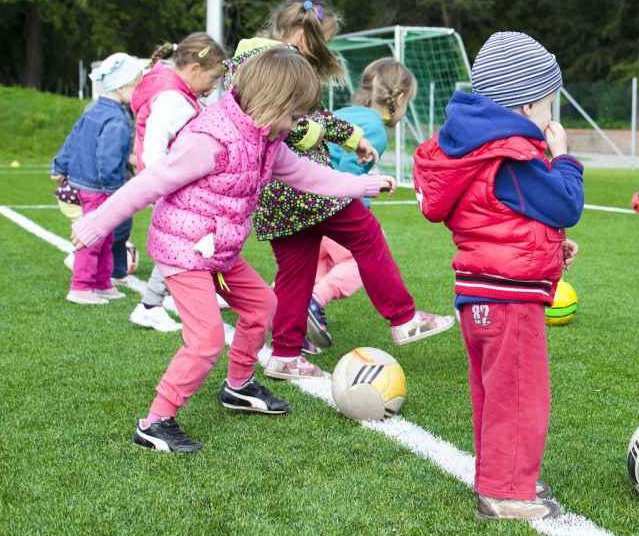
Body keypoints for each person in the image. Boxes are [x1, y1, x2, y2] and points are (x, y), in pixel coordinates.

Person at [70, 48, 396, 453]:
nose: (298, 125)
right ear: (271, 103)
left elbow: (307, 175)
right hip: (184, 252)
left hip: (219, 252)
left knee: (263, 306)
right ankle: (154, 423)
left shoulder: (267, 139)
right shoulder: (211, 140)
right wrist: (96, 224)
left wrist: (364, 184)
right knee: (206, 340)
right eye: (295, 116)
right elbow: (150, 183)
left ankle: (238, 387)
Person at [226, 1, 454, 382]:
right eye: (322, 41)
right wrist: (326, 136)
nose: (319, 52)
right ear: (302, 35)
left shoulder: (256, 60)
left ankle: (285, 354)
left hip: (275, 196)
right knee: (366, 235)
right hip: (305, 186)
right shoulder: (276, 64)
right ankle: (403, 317)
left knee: (295, 273)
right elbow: (282, 121)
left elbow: (311, 116)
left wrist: (353, 138)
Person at [413, 32, 584, 520]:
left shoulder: (476, 149)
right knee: (518, 394)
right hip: (508, 301)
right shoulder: (511, 155)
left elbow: (500, 217)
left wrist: (550, 249)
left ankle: (499, 475)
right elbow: (565, 201)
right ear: (528, 103)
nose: (553, 116)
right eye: (550, 104)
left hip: (481, 293)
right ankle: (507, 491)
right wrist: (565, 157)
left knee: (494, 393)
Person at [304, 57, 417, 350]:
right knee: (361, 260)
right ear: (400, 97)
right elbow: (347, 174)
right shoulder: (375, 130)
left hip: (304, 201)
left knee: (317, 264)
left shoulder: (346, 113)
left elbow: (337, 156)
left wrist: (375, 179)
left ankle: (289, 313)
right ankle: (314, 302)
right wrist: (363, 193)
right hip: (333, 206)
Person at [127, 32, 227, 333]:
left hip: (172, 182)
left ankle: (179, 295)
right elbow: (155, 145)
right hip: (170, 184)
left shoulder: (176, 91)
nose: (212, 89)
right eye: (211, 79)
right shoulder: (173, 99)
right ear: (194, 70)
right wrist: (164, 182)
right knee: (181, 242)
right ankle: (149, 305)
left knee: (197, 238)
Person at [52, 53, 146, 305]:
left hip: (87, 183)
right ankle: (81, 286)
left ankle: (102, 283)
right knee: (95, 235)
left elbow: (72, 138)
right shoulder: (116, 118)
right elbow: (108, 157)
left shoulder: (93, 109)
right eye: (137, 85)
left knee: (106, 235)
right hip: (101, 187)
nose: (138, 92)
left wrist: (59, 165)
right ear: (123, 86)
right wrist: (114, 189)